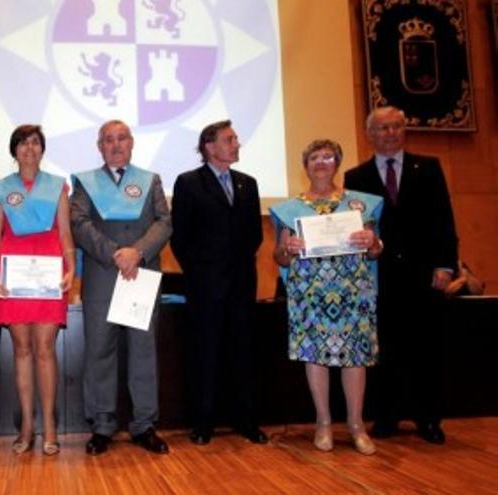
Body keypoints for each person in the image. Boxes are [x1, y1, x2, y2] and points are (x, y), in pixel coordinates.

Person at [344, 106, 458, 444]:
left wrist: (446, 265)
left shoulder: (430, 168)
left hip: (424, 274)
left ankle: (429, 419)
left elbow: (444, 221)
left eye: (396, 126)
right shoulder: (356, 177)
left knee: (426, 348)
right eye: (383, 128)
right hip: (378, 277)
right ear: (370, 135)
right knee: (384, 348)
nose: (391, 133)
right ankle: (386, 417)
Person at [270, 139, 384, 455]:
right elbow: (279, 258)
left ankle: (356, 425)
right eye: (315, 157)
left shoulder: (360, 205)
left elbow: (374, 251)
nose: (322, 162)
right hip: (310, 294)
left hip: (353, 292)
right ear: (305, 165)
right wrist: (287, 249)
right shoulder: (289, 209)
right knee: (315, 357)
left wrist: (374, 242)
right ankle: (323, 423)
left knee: (355, 358)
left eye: (328, 157)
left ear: (337, 163)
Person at [70, 120, 172, 455]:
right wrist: (115, 254)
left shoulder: (150, 180)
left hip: (141, 274)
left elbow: (164, 222)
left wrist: (137, 252)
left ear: (131, 143)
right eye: (108, 140)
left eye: (121, 138)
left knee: (143, 352)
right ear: (100, 146)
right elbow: (78, 223)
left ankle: (144, 424)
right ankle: (102, 426)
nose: (115, 145)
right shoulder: (85, 183)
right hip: (103, 276)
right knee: (100, 352)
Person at [170, 120, 267, 446]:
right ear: (210, 146)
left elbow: (255, 233)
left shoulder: (248, 184)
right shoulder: (188, 183)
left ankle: (247, 419)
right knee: (205, 353)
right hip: (204, 284)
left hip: (242, 283)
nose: (237, 143)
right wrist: (201, 273)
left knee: (244, 352)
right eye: (230, 139)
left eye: (236, 138)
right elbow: (180, 238)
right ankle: (203, 422)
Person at [0, 125, 74, 456]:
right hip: (14, 275)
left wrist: (70, 268)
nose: (29, 148)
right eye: (22, 143)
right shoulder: (1, 189)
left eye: (35, 142)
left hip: (49, 272)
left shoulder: (57, 186)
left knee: (45, 349)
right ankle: (27, 427)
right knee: (21, 349)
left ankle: (50, 427)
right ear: (14, 150)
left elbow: (65, 232)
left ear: (42, 149)